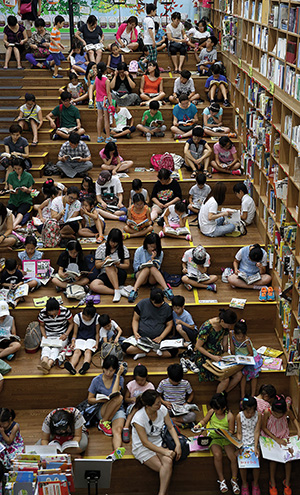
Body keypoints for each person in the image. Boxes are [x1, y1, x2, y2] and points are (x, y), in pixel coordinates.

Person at [131, 390, 181, 495]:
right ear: (148, 406)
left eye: (160, 402)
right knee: (166, 469)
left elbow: (170, 427)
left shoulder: (162, 410)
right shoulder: (138, 418)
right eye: (157, 403)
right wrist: (165, 452)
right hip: (142, 448)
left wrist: (178, 444)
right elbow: (145, 443)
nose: (160, 405)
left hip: (158, 442)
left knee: (167, 463)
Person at [193, 393, 240, 495]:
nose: (214, 410)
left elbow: (231, 431)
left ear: (224, 408)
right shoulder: (212, 412)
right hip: (214, 438)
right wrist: (199, 425)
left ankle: (234, 480)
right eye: (213, 408)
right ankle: (222, 480)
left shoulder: (230, 416)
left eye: (217, 409)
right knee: (217, 455)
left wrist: (223, 432)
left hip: (226, 439)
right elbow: (204, 420)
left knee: (233, 457)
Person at [87, 356, 126, 461]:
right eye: (106, 370)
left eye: (111, 371)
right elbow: (90, 399)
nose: (108, 373)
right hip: (104, 409)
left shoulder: (119, 379)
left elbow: (115, 393)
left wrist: (118, 375)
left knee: (117, 430)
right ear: (103, 368)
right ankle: (103, 422)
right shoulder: (96, 380)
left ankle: (116, 451)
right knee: (120, 397)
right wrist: (100, 400)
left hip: (117, 409)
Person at [195, 309, 243, 393]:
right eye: (229, 325)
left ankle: (223, 395)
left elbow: (225, 344)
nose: (230, 328)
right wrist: (213, 357)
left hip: (218, 354)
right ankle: (217, 400)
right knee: (225, 379)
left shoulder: (225, 328)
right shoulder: (207, 327)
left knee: (238, 375)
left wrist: (228, 357)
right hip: (205, 356)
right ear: (222, 321)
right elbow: (198, 346)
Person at [262, 395, 300, 495]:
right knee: (273, 460)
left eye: (280, 414)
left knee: (289, 460)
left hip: (284, 436)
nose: (278, 416)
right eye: (276, 414)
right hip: (272, 437)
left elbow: (294, 419)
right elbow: (264, 427)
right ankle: (272, 483)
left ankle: (287, 483)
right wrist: (276, 439)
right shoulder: (267, 412)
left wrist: (299, 430)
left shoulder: (287, 411)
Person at [123, 288, 175, 360]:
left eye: (160, 303)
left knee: (173, 351)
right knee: (125, 347)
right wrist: (135, 332)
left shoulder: (166, 308)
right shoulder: (142, 304)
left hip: (158, 340)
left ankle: (144, 353)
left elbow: (169, 325)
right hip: (142, 338)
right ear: (151, 300)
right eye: (156, 303)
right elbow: (135, 320)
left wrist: (161, 337)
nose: (158, 305)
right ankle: (153, 351)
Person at [128, 233, 172, 303]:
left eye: (154, 247)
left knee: (152, 268)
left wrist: (153, 259)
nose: (152, 249)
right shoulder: (139, 251)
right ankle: (134, 290)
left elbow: (158, 267)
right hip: (141, 276)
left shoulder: (160, 253)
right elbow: (135, 267)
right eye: (150, 246)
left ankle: (166, 289)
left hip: (152, 278)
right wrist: (144, 265)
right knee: (146, 269)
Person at [90, 228, 130, 302]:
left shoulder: (123, 249)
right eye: (111, 241)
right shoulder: (101, 248)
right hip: (105, 274)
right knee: (93, 285)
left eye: (115, 242)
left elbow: (127, 265)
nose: (113, 244)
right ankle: (117, 291)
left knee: (109, 267)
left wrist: (118, 265)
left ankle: (117, 289)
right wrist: (104, 262)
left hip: (119, 274)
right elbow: (97, 265)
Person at [37, 297, 73, 374]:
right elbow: (42, 325)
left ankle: (48, 364)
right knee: (45, 347)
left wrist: (66, 334)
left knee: (55, 349)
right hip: (49, 334)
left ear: (58, 309)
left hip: (61, 335)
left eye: (55, 312)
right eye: (50, 313)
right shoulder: (42, 313)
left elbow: (71, 323)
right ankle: (44, 361)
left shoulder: (65, 311)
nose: (53, 314)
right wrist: (44, 335)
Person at [229, 319, 263, 398]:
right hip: (238, 355)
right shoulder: (232, 334)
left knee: (254, 374)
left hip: (247, 356)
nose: (240, 338)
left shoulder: (247, 340)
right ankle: (242, 395)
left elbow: (251, 353)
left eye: (241, 336)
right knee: (243, 374)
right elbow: (232, 348)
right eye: (238, 336)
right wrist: (234, 356)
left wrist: (243, 358)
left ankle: (252, 395)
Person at [65, 301, 100, 375]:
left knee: (88, 351)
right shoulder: (77, 317)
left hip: (91, 338)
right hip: (80, 338)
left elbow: (97, 333)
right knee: (77, 351)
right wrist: (73, 342)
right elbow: (75, 333)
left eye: (88, 319)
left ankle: (85, 366)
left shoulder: (97, 318)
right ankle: (72, 366)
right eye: (85, 318)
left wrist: (97, 343)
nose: (86, 320)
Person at [123, 364, 155, 442]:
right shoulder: (131, 384)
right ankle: (126, 427)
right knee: (137, 406)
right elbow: (125, 399)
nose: (140, 382)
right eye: (138, 380)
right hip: (132, 408)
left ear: (146, 377)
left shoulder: (150, 386)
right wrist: (131, 399)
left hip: (145, 410)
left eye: (142, 380)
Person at [236, 397, 261, 495]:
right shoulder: (239, 416)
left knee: (257, 462)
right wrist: (240, 445)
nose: (250, 414)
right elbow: (238, 432)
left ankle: (255, 484)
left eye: (252, 412)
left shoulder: (258, 415)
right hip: (243, 443)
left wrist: (256, 447)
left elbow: (257, 431)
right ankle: (244, 484)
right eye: (248, 412)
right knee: (242, 464)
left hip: (253, 442)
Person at [7, 158, 34, 229]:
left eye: (19, 169)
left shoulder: (28, 176)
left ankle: (13, 226)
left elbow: (30, 191)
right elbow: (10, 188)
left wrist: (26, 190)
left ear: (22, 168)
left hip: (25, 199)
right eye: (15, 169)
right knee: (9, 211)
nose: (17, 171)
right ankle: (14, 225)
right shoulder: (11, 175)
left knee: (21, 211)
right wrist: (12, 191)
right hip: (14, 200)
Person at [92, 63, 115, 144]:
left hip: (98, 100)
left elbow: (93, 87)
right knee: (106, 119)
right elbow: (108, 93)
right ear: (105, 70)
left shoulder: (96, 79)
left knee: (99, 118)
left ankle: (99, 136)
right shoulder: (107, 80)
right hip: (105, 100)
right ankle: (108, 137)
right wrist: (111, 104)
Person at [49, 15, 65, 79]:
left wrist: (60, 45)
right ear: (58, 23)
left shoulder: (57, 30)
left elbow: (56, 40)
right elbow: (51, 39)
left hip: (56, 50)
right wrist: (57, 46)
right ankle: (55, 74)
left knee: (62, 58)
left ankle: (50, 63)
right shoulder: (54, 30)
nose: (63, 25)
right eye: (62, 23)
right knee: (58, 63)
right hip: (54, 50)